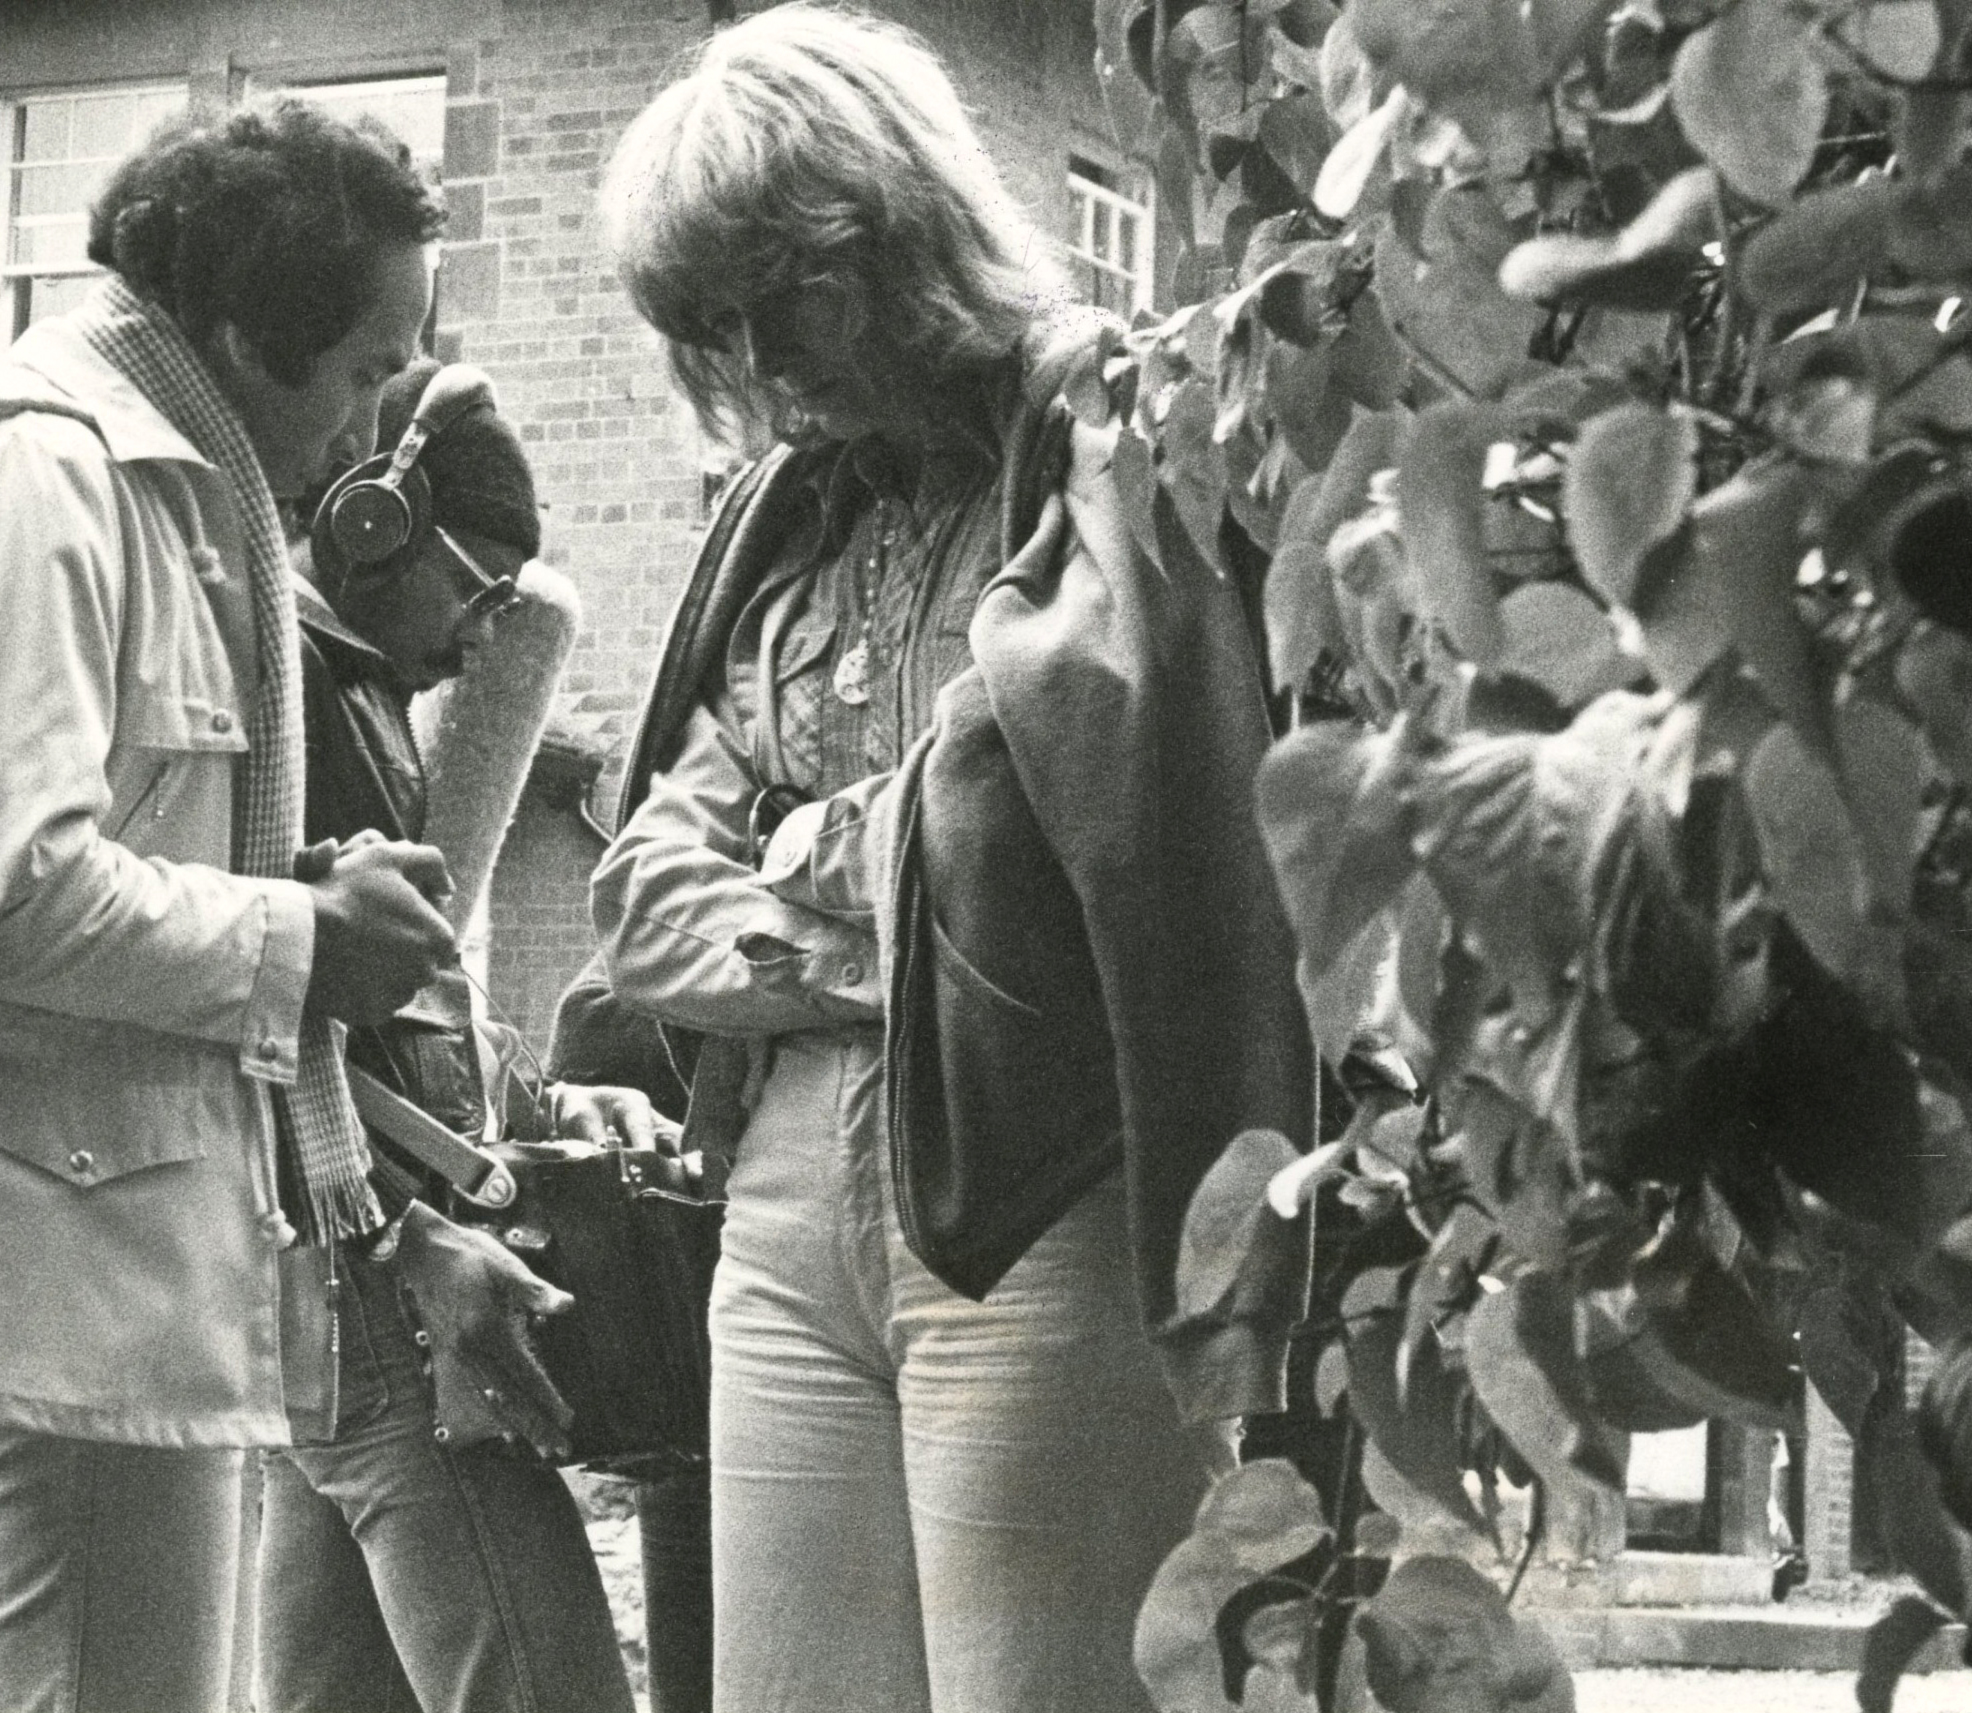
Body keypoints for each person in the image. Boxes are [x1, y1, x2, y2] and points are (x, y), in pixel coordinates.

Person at [589, 9, 1316, 1712]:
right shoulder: (791, 515)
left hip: (1037, 1176)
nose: (762, 364)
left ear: (891, 233)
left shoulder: (1107, 435)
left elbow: (1090, 814)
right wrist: (885, 912)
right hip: (781, 1201)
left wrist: (806, 849)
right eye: (714, 327)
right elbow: (641, 896)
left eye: (784, 302)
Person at [0, 101, 470, 1713]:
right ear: (245, 334)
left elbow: (87, 853)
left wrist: (292, 895)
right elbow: (3, 895)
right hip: (67, 1272)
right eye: (367, 370)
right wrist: (307, 941)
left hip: (132, 1252)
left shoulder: (162, 487)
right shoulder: (29, 481)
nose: (372, 429)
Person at [254, 355, 646, 1713]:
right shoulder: (288, 692)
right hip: (384, 1292)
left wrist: (541, 1106)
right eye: (477, 591)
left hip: (331, 1294)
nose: (486, 638)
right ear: (371, 522)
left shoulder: (352, 687)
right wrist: (407, 1241)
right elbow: (252, 1025)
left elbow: (407, 1015)